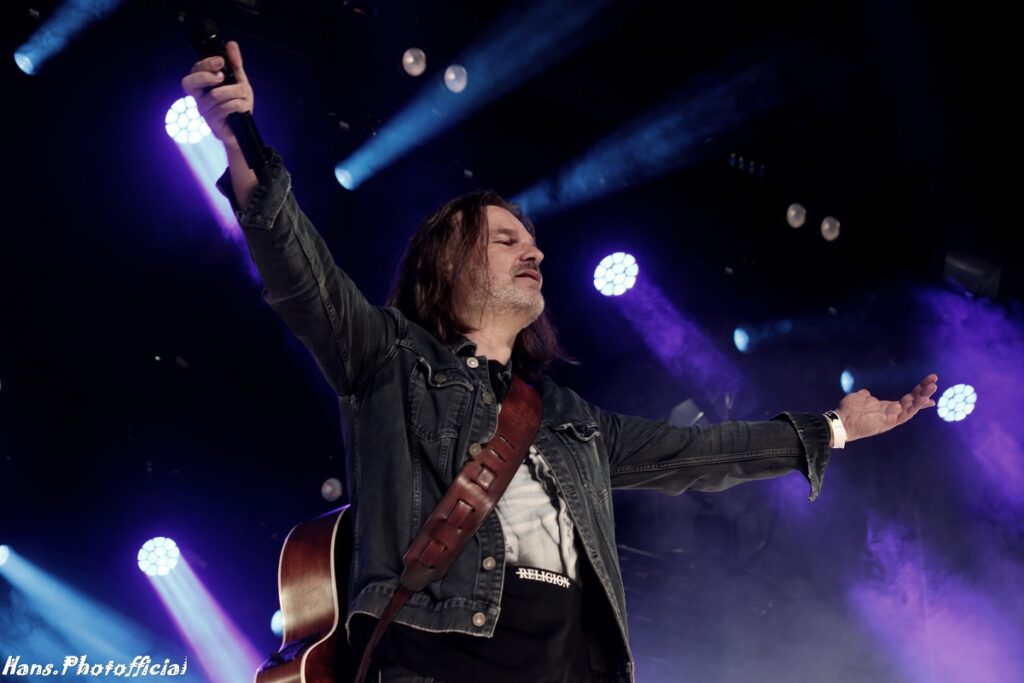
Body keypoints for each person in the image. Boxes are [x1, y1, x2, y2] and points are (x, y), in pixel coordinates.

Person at [182, 43, 939, 683]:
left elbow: (702, 453)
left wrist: (836, 427)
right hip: (436, 662)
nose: (535, 252)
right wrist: (239, 141)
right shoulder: (390, 359)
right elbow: (300, 270)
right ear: (446, 264)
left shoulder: (569, 418)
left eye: (534, 242)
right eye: (506, 239)